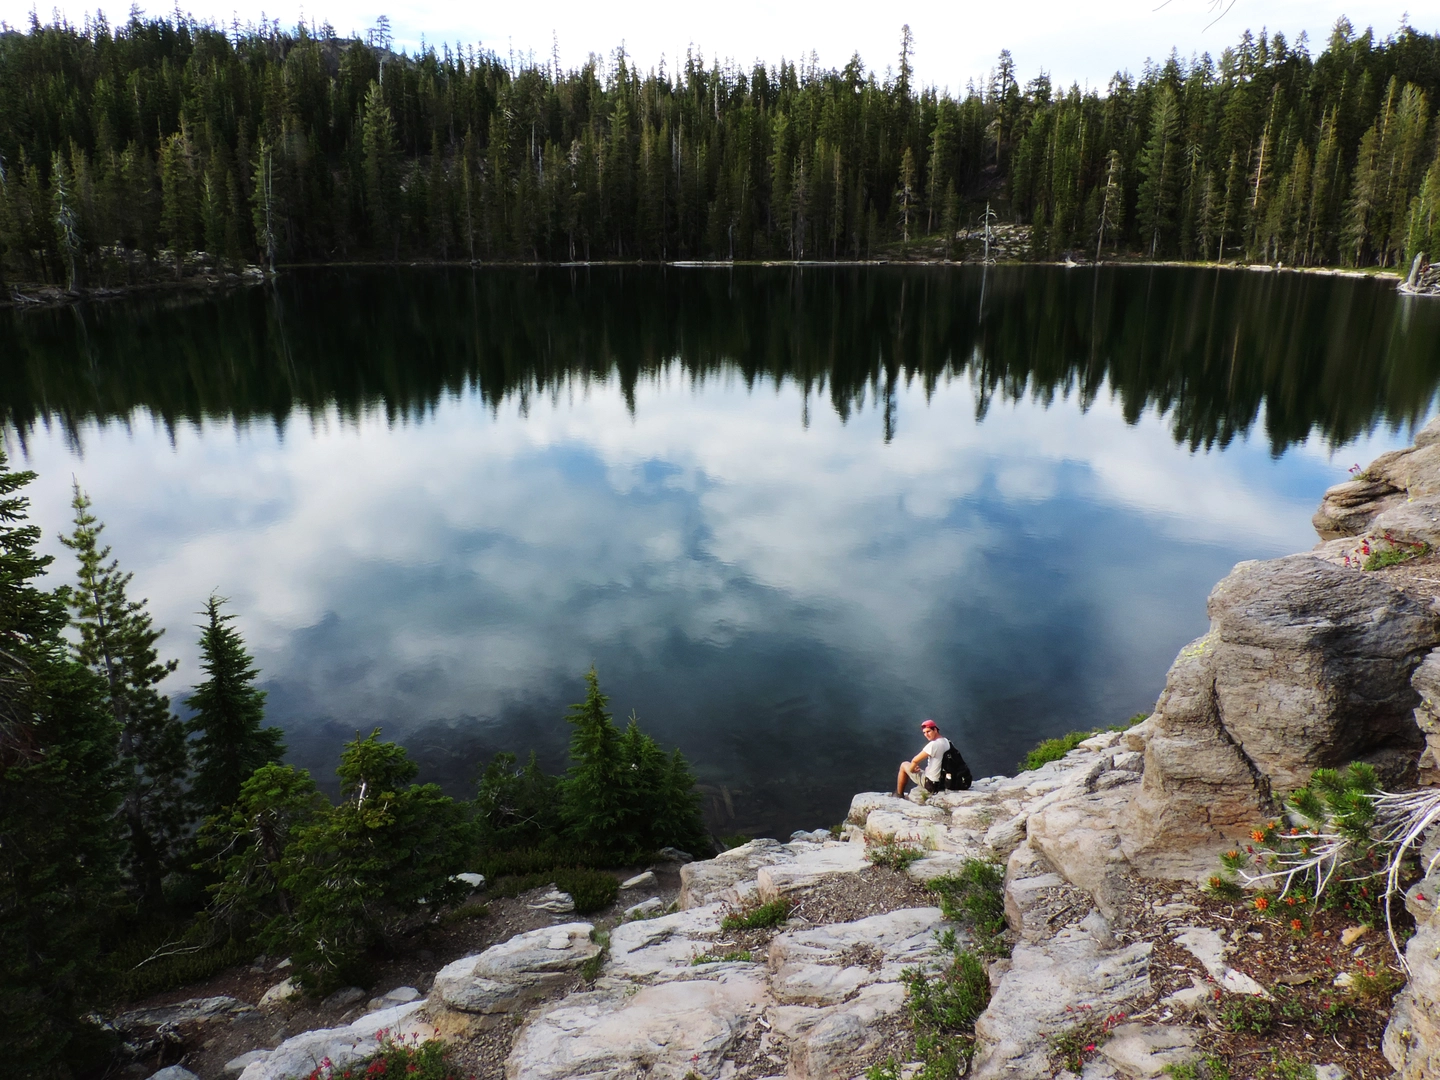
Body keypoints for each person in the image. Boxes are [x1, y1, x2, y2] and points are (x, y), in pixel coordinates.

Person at [896, 718, 951, 798]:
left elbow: (915, 760)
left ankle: (899, 795)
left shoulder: (933, 745)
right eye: (924, 733)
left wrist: (912, 769)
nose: (926, 735)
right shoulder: (946, 741)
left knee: (904, 765)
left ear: (935, 730)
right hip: (943, 782)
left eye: (928, 731)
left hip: (931, 783)